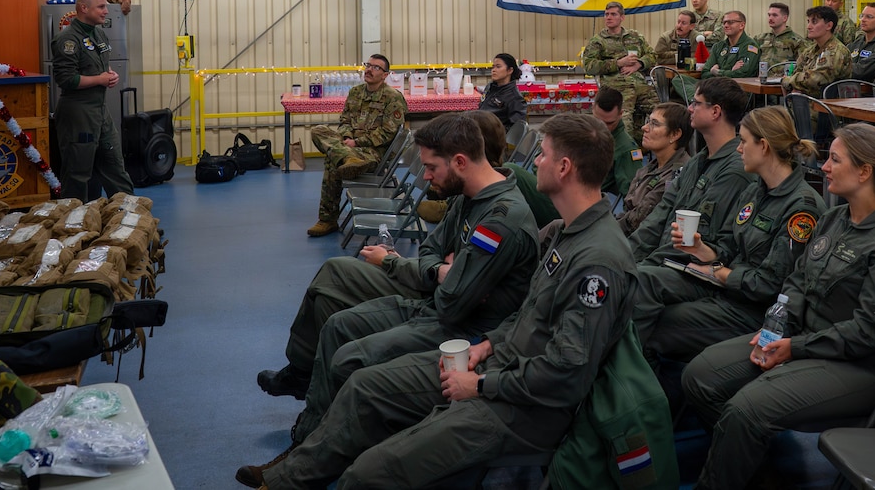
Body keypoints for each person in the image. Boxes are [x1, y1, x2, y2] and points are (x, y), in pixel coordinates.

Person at [250, 115, 636, 490]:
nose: (535, 162)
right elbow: (528, 316)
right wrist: (491, 345)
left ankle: (307, 468)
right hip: (496, 362)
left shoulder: (596, 260)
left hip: (521, 407)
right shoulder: (567, 234)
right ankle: (295, 471)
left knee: (365, 475)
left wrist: (482, 384)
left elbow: (565, 375)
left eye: (544, 155)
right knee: (364, 386)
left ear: (565, 167)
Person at [681, 123, 875, 490]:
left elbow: (869, 334)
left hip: (857, 365)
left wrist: (793, 348)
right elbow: (795, 281)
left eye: (835, 159)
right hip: (802, 338)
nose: (824, 167)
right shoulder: (833, 219)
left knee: (746, 410)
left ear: (864, 172)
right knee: (699, 375)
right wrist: (775, 329)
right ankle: (750, 462)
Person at [248, 114, 538, 421]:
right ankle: (305, 387)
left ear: (460, 162)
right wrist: (440, 271)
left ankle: (316, 435)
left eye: (430, 168)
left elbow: (451, 301)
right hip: (441, 299)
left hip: (463, 322)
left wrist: (420, 269)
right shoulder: (469, 196)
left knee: (348, 352)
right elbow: (430, 249)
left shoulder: (498, 217)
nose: (425, 177)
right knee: (336, 309)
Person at [632, 106, 824, 362]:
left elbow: (770, 285)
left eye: (744, 141)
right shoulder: (756, 191)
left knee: (659, 320)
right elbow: (728, 245)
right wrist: (703, 251)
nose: (738, 149)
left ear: (764, 146)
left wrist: (721, 273)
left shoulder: (801, 208)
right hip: (726, 288)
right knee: (640, 281)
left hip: (755, 309)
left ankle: (632, 385)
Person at [629, 78, 755, 265]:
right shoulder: (696, 162)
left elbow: (698, 238)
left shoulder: (734, 170)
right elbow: (659, 216)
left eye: (696, 103)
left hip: (690, 269)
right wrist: (626, 256)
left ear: (715, 112)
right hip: (663, 261)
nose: (689, 109)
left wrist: (644, 267)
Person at [305, 54, 408, 237]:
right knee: (318, 130)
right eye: (368, 65)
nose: (369, 70)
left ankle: (327, 220)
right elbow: (344, 120)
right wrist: (346, 137)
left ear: (385, 75)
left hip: (374, 153)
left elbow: (388, 133)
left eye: (376, 67)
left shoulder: (393, 98)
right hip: (350, 148)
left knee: (332, 161)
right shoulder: (355, 93)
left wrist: (357, 142)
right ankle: (346, 157)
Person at [505, 88, 642, 226]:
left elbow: (632, 196)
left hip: (574, 205)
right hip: (558, 188)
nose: (603, 128)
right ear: (593, 108)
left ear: (621, 114)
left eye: (609, 123)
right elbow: (539, 161)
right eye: (599, 120)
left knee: (511, 172)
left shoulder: (626, 149)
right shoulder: (586, 129)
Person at [50, 0, 134, 201]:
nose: (106, 11)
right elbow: (66, 79)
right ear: (83, 8)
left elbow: (99, 68)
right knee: (78, 174)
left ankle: (131, 220)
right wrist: (100, 79)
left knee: (115, 167)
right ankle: (74, 227)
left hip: (100, 111)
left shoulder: (99, 34)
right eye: (101, 7)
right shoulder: (67, 39)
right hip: (78, 113)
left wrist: (110, 75)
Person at [581, 1, 657, 146]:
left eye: (613, 14)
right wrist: (618, 63)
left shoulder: (635, 36)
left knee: (665, 116)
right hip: (617, 90)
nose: (608, 17)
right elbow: (589, 66)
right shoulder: (598, 41)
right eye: (606, 14)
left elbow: (652, 55)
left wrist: (639, 64)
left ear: (622, 17)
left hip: (641, 87)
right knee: (625, 127)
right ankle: (626, 157)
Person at [617, 103, 692, 236]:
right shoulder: (651, 167)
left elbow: (638, 221)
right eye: (648, 121)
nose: (644, 128)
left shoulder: (677, 175)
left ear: (675, 134)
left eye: (654, 124)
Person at [782, 6, 852, 98]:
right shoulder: (809, 51)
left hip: (828, 106)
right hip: (807, 102)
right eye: (808, 22)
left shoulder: (836, 50)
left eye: (814, 22)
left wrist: (789, 81)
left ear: (829, 26)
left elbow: (817, 79)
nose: (808, 27)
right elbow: (796, 72)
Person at [701, 11, 760, 80]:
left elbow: (743, 74)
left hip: (738, 88)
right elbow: (704, 73)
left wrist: (717, 72)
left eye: (730, 22)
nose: (726, 25)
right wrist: (731, 71)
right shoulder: (718, 46)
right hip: (714, 86)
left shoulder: (750, 46)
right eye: (724, 23)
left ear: (742, 25)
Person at [477, 53, 526, 129]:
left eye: (498, 67)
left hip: (495, 137)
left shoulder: (515, 97)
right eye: (493, 67)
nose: (494, 70)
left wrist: (494, 132)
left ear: (510, 70)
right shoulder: (490, 87)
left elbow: (517, 128)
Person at [757, 2, 807, 70]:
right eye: (769, 15)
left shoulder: (797, 41)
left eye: (775, 15)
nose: (770, 18)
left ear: (785, 18)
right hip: (761, 78)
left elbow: (803, 65)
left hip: (784, 79)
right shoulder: (760, 38)